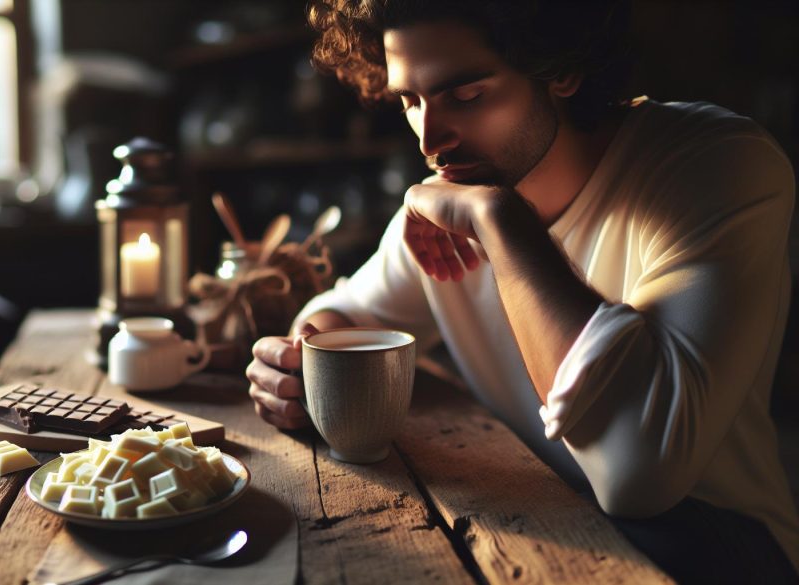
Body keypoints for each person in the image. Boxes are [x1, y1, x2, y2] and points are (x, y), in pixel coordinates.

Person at [244, 0, 799, 581]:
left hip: (716, 542)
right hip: (546, 508)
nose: (431, 140)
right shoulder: (455, 199)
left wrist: (503, 224)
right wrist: (296, 366)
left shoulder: (717, 163)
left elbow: (638, 475)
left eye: (466, 95)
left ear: (560, 68)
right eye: (411, 100)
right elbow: (345, 314)